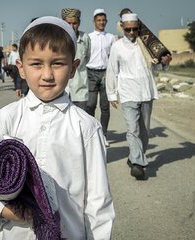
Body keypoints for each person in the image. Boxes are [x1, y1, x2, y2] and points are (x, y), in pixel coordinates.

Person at [0, 16, 114, 239]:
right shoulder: (6, 118)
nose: (47, 74)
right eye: (36, 64)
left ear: (73, 68)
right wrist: (2, 210)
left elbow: (98, 205)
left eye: (58, 63)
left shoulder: (87, 127)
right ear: (21, 68)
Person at [106, 13, 172, 180]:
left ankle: (135, 156)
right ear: (122, 27)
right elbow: (112, 71)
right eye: (128, 29)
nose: (131, 32)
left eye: (134, 29)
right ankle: (137, 164)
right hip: (128, 93)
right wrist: (112, 94)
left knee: (144, 132)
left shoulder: (147, 46)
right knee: (132, 130)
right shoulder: (117, 46)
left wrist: (165, 62)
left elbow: (156, 67)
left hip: (146, 91)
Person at [86, 9, 115, 147]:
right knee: (90, 104)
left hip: (105, 74)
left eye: (103, 20)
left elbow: (114, 57)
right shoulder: (89, 37)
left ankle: (103, 135)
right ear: (94, 22)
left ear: (106, 21)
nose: (101, 22)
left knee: (105, 106)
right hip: (91, 73)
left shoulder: (111, 37)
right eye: (99, 20)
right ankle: (91, 133)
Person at [61, 8, 91, 111]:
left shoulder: (85, 38)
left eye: (75, 23)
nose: (72, 27)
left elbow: (87, 58)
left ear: (79, 23)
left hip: (80, 90)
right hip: (62, 89)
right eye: (68, 23)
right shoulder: (58, 39)